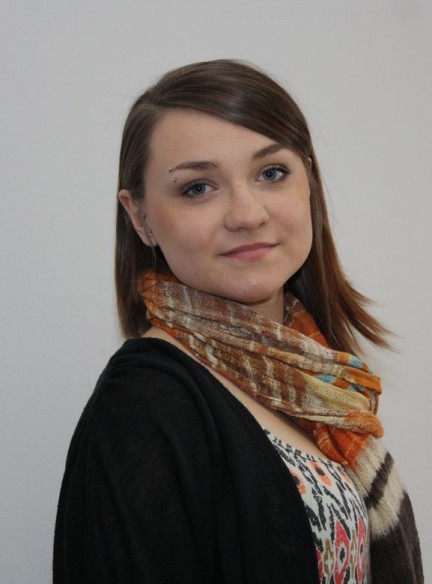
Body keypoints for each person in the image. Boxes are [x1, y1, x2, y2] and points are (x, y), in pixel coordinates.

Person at [53, 59, 423, 583]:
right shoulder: (144, 404)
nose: (248, 214)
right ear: (140, 217)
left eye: (271, 173)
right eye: (197, 188)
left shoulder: (321, 385)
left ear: (309, 183)